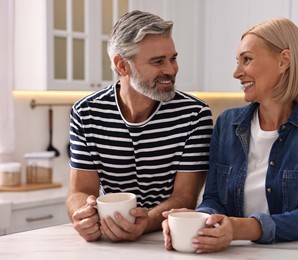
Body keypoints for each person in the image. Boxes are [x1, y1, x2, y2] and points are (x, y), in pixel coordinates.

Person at [162, 17, 298, 253]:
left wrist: (238, 228)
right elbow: (213, 199)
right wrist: (201, 220)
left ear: (284, 61)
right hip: (244, 252)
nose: (236, 72)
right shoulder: (227, 124)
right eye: (237, 61)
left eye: (247, 60)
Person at [66, 10, 213, 242]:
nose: (171, 70)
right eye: (158, 61)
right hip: (108, 240)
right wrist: (81, 214)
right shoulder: (86, 113)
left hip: (165, 239)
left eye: (173, 58)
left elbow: (185, 197)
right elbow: (80, 191)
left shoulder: (194, 115)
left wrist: (145, 223)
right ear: (122, 66)